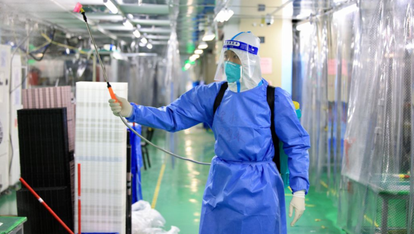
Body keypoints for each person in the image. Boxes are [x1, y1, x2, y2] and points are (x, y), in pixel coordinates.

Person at [109, 31, 310, 234]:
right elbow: (173, 116)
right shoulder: (214, 94)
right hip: (222, 186)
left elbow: (296, 144)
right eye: (227, 56)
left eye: (235, 57)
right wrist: (134, 111)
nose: (229, 62)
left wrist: (299, 190)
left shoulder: (274, 99)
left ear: (250, 61)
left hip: (262, 189)